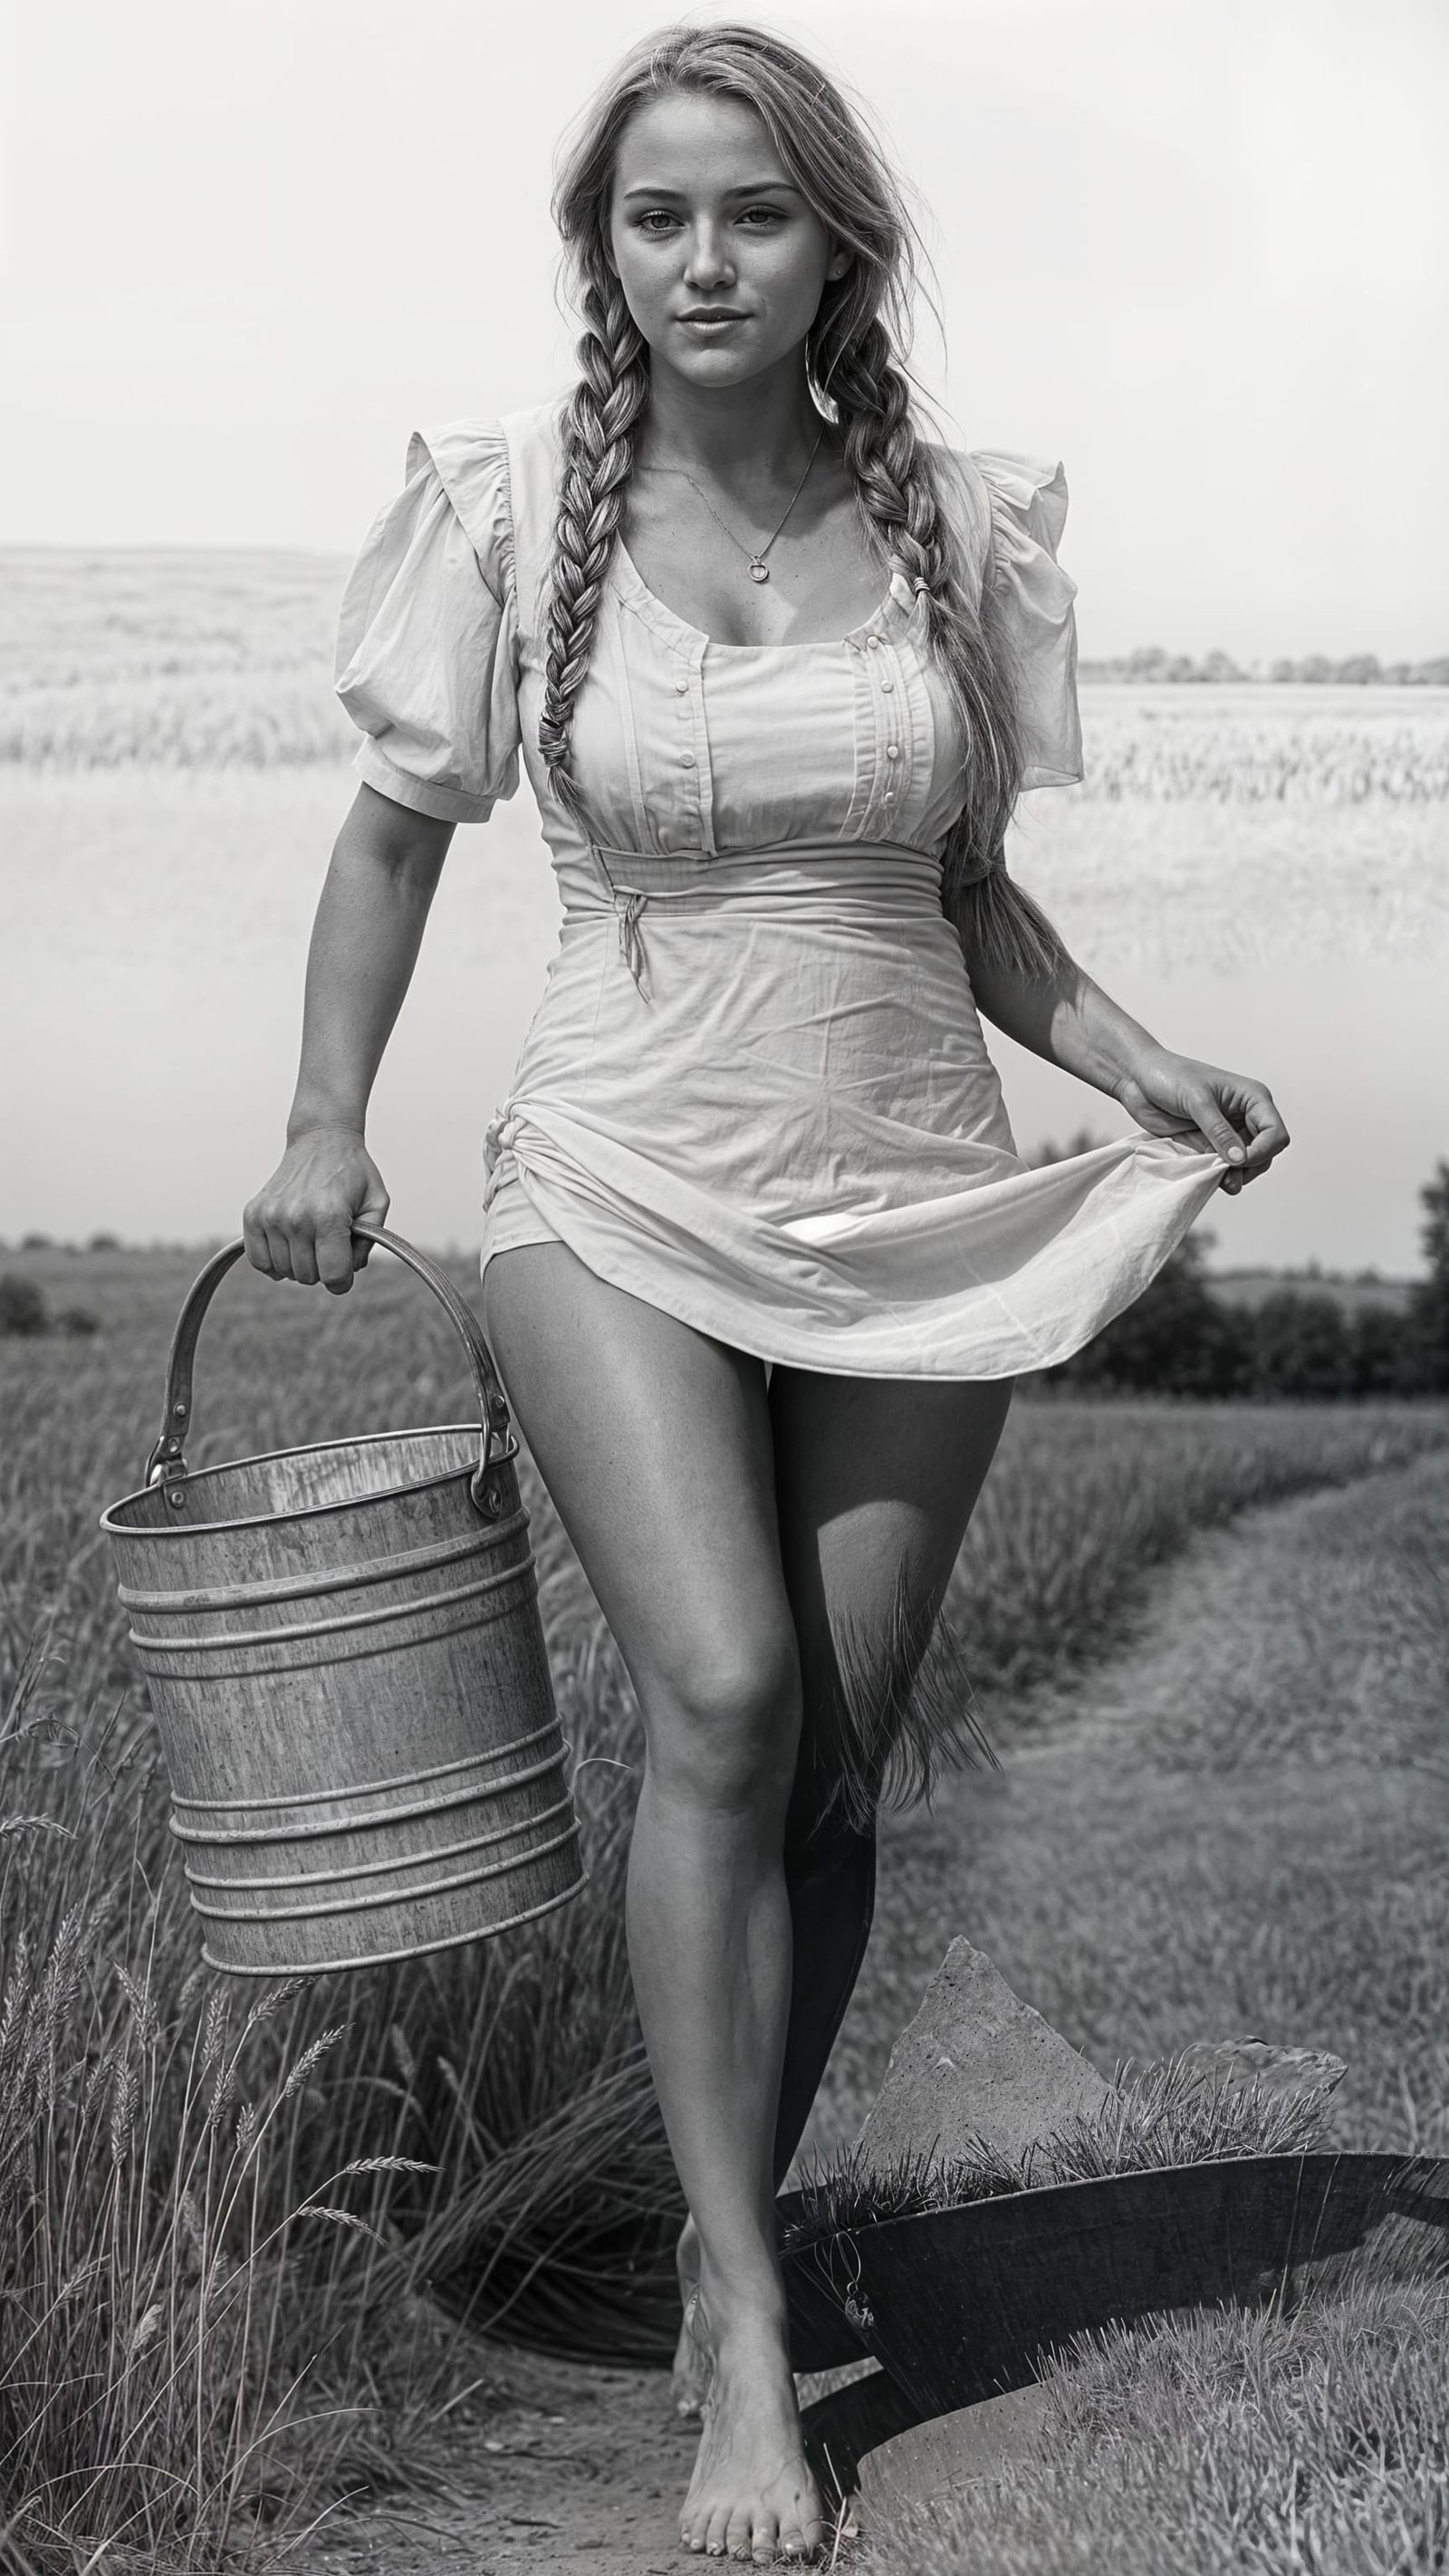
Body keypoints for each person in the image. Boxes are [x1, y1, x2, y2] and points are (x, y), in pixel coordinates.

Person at [243, 22, 1290, 2561]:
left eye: (751, 213)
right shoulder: (514, 522)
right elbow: (391, 852)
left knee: (828, 1761)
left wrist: (1138, 1056)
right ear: (606, 256)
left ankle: (723, 2200)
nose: (701, 258)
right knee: (715, 1687)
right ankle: (735, 2307)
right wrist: (317, 1115)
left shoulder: (951, 525)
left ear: (840, 244)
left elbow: (964, 901)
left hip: (907, 1195)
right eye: (652, 217)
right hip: (606, 1169)